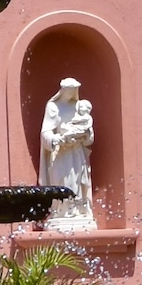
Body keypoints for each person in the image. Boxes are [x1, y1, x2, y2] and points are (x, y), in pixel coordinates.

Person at [39, 77, 97, 226]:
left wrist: (85, 135)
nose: (72, 93)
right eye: (69, 89)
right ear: (63, 90)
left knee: (77, 180)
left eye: (74, 89)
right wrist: (56, 139)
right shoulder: (53, 107)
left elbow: (89, 135)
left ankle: (77, 210)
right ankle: (62, 211)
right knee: (62, 179)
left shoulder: (79, 107)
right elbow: (46, 132)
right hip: (61, 152)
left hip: (77, 152)